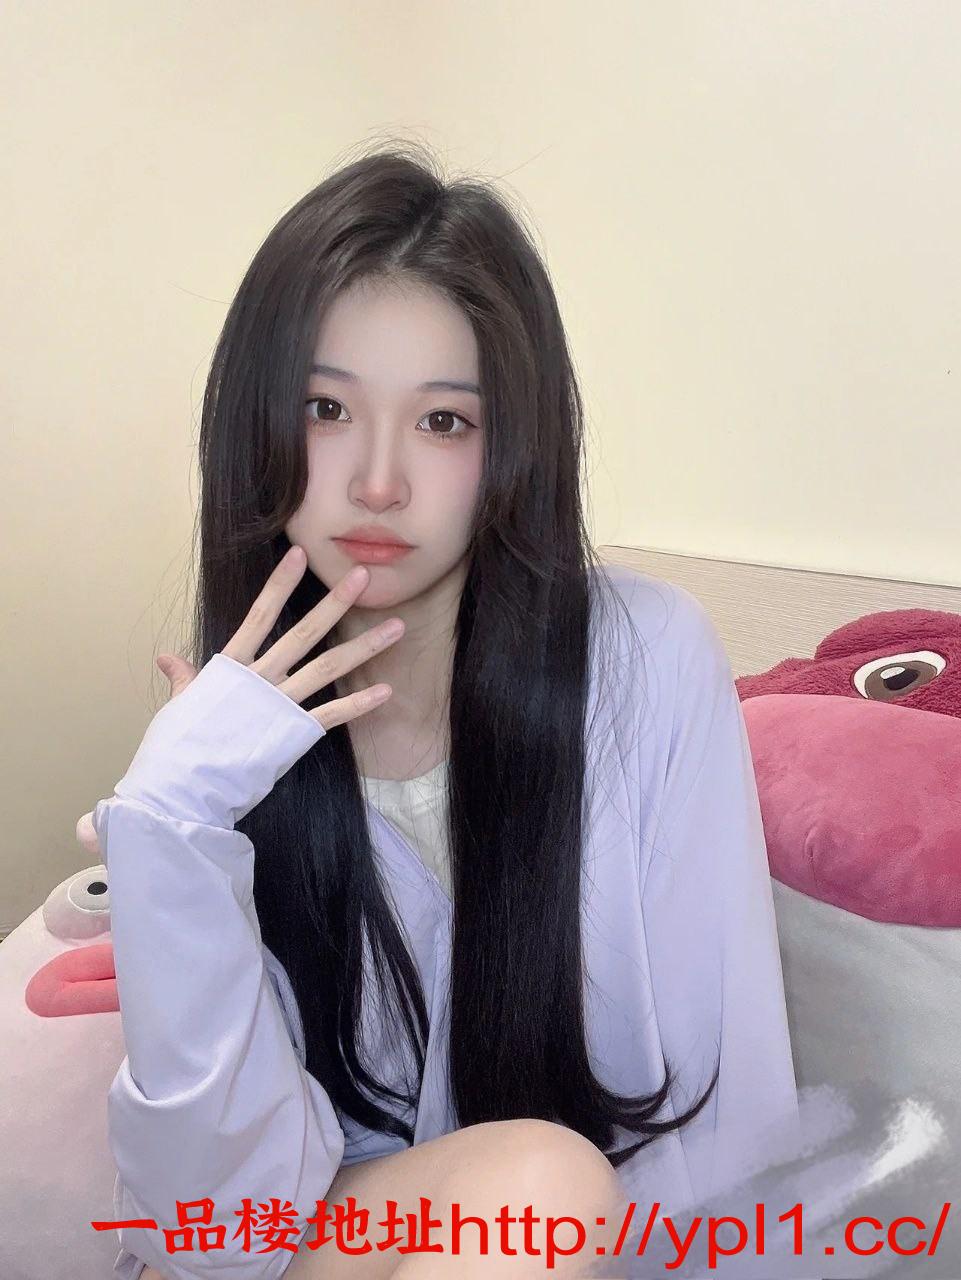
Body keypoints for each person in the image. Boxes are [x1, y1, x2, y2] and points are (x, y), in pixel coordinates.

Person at [88, 140, 802, 1280]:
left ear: (511, 446)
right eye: (326, 407)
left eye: (442, 422)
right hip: (291, 1245)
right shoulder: (215, 741)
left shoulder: (647, 662)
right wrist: (174, 824)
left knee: (550, 1184)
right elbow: (218, 1234)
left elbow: (725, 1116)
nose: (377, 481)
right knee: (545, 1183)